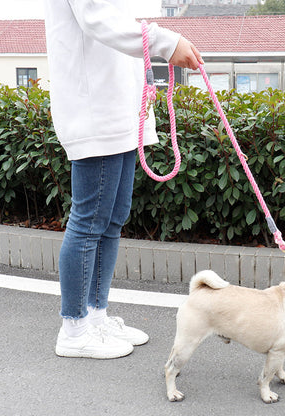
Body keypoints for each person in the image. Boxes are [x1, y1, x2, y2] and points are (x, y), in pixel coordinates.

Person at [43, 0, 203, 359]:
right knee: (89, 222)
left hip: (118, 110)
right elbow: (98, 18)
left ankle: (95, 317)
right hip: (95, 110)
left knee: (112, 220)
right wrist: (167, 42)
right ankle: (74, 328)